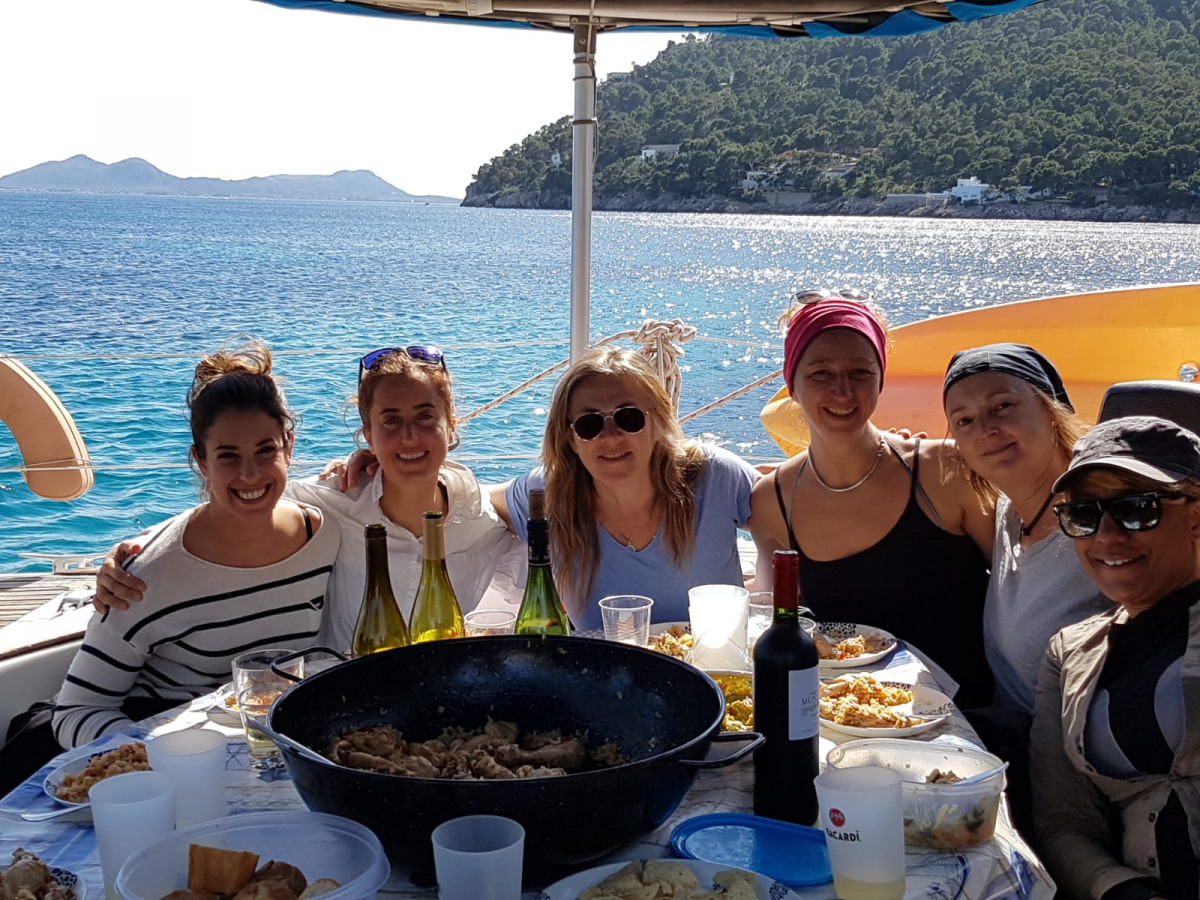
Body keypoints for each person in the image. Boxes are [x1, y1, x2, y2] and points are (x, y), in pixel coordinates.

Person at [0, 340, 340, 792]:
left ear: (289, 447)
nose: (251, 473)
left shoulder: (327, 535)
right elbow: (76, 711)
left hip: (266, 756)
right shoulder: (146, 576)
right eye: (228, 456)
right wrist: (160, 759)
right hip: (171, 762)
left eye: (265, 451)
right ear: (200, 460)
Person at [94, 344, 523, 651]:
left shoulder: (485, 516)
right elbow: (240, 502)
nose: (409, 435)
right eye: (390, 421)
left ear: (451, 424)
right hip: (347, 708)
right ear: (367, 435)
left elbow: (558, 508)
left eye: (425, 417)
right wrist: (136, 552)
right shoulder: (331, 505)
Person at [749, 291, 996, 708]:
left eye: (860, 372)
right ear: (792, 384)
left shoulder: (944, 470)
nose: (842, 391)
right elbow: (776, 618)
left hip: (969, 718)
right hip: (849, 718)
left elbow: (1019, 586)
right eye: (821, 373)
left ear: (881, 379)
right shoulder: (773, 501)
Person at [942, 343, 1112, 838]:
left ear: (1051, 408)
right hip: (1009, 752)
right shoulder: (1006, 510)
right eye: (965, 420)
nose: (986, 430)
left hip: (1083, 787)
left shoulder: (1105, 525)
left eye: (1003, 407)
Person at [1030, 416, 1200, 900]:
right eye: (1083, 514)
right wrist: (1117, 889)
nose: (1106, 535)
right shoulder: (1069, 654)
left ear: (1196, 514)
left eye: (1135, 508)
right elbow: (1064, 822)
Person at [492, 346, 760, 631]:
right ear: (571, 439)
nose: (610, 437)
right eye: (589, 424)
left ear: (658, 421)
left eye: (629, 417)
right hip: (600, 671)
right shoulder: (549, 494)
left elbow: (784, 508)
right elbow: (477, 502)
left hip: (712, 672)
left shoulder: (716, 478)